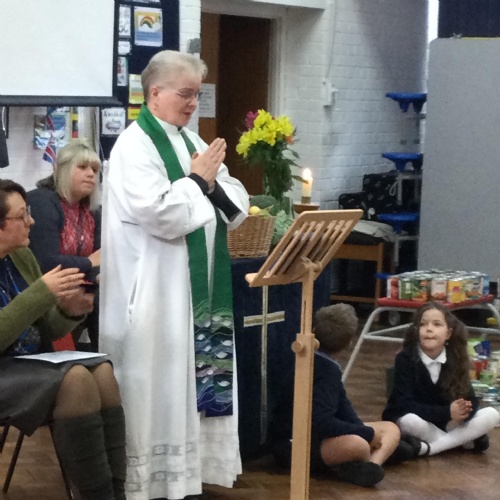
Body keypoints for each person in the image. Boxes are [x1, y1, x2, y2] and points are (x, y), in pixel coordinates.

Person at [99, 50, 249, 500]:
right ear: (154, 93)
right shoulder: (133, 146)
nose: (192, 104)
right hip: (153, 295)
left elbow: (235, 194)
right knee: (158, 387)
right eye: (185, 94)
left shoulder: (191, 140)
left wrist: (208, 182)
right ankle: (151, 484)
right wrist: (199, 182)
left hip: (196, 293)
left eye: (196, 95)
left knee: (190, 382)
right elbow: (161, 214)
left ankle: (188, 478)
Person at [0, 179, 126, 500]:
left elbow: (47, 329)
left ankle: (116, 493)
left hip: (31, 365)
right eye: (22, 215)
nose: (32, 221)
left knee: (103, 371)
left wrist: (71, 311)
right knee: (76, 379)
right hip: (5, 370)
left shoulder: (22, 257)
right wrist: (40, 294)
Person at [269, 303, 413, 488]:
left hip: (319, 436)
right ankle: (364, 460)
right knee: (359, 445)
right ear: (348, 343)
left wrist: (361, 428)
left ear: (314, 331)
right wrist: (366, 434)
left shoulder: (328, 366)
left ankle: (370, 466)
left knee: (390, 428)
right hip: (293, 444)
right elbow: (321, 423)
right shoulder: (322, 368)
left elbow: (344, 407)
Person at [382, 301, 500, 457]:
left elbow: (471, 399)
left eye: (437, 324)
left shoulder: (456, 358)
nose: (429, 329)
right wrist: (447, 412)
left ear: (448, 333)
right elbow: (404, 405)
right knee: (409, 421)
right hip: (421, 421)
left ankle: (431, 448)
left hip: (448, 424)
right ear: (417, 331)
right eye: (423, 324)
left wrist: (464, 412)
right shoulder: (405, 358)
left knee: (492, 413)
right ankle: (463, 441)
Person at [27, 139, 102, 351]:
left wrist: (96, 272)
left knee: (106, 298)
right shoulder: (42, 201)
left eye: (94, 170)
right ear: (63, 170)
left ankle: (106, 358)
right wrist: (88, 263)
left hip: (80, 286)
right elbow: (47, 262)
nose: (91, 174)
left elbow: (100, 257)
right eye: (83, 167)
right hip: (43, 287)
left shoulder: (93, 210)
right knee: (96, 301)